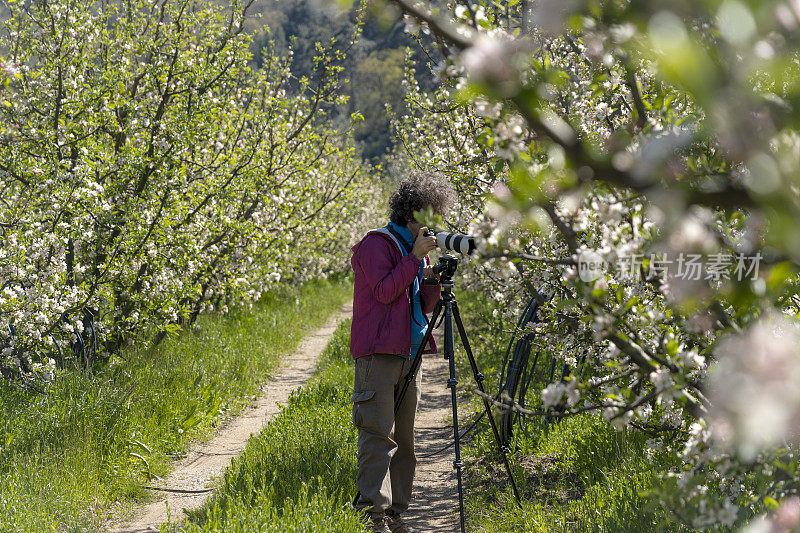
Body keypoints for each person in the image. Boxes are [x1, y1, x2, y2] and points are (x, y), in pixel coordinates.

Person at [350, 172, 455, 533]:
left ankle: (396, 513)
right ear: (411, 213)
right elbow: (383, 292)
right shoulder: (376, 244)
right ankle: (371, 516)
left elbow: (422, 305)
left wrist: (433, 279)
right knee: (379, 434)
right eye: (431, 215)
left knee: (406, 438)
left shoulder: (415, 251)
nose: (434, 225)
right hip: (377, 354)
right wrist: (413, 260)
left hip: (409, 353)